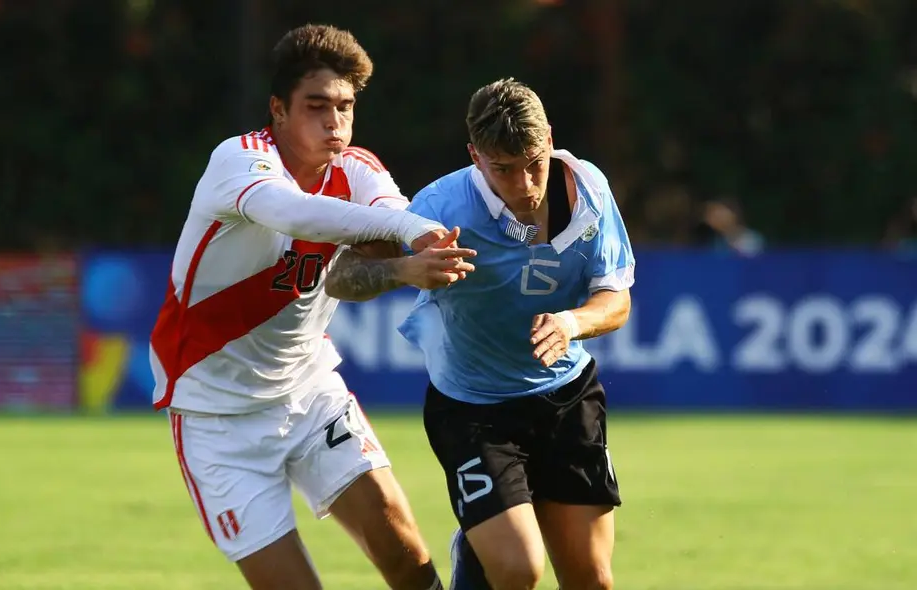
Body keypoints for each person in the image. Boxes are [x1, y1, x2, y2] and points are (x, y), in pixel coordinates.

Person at [149, 24, 475, 590]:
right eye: (317, 106)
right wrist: (410, 229)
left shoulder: (357, 168)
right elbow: (298, 214)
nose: (335, 123)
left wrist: (406, 261)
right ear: (278, 109)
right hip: (215, 416)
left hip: (308, 392)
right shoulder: (240, 160)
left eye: (346, 107)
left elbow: (376, 233)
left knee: (403, 549)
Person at [325, 78, 635, 590]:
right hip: (474, 409)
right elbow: (341, 275)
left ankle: (479, 535)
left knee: (592, 581)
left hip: (567, 399)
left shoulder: (590, 193)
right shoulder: (440, 208)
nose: (525, 185)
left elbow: (616, 299)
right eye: (504, 170)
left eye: (534, 163)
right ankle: (479, 548)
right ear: (475, 156)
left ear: (550, 138)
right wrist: (405, 271)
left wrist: (570, 322)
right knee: (517, 570)